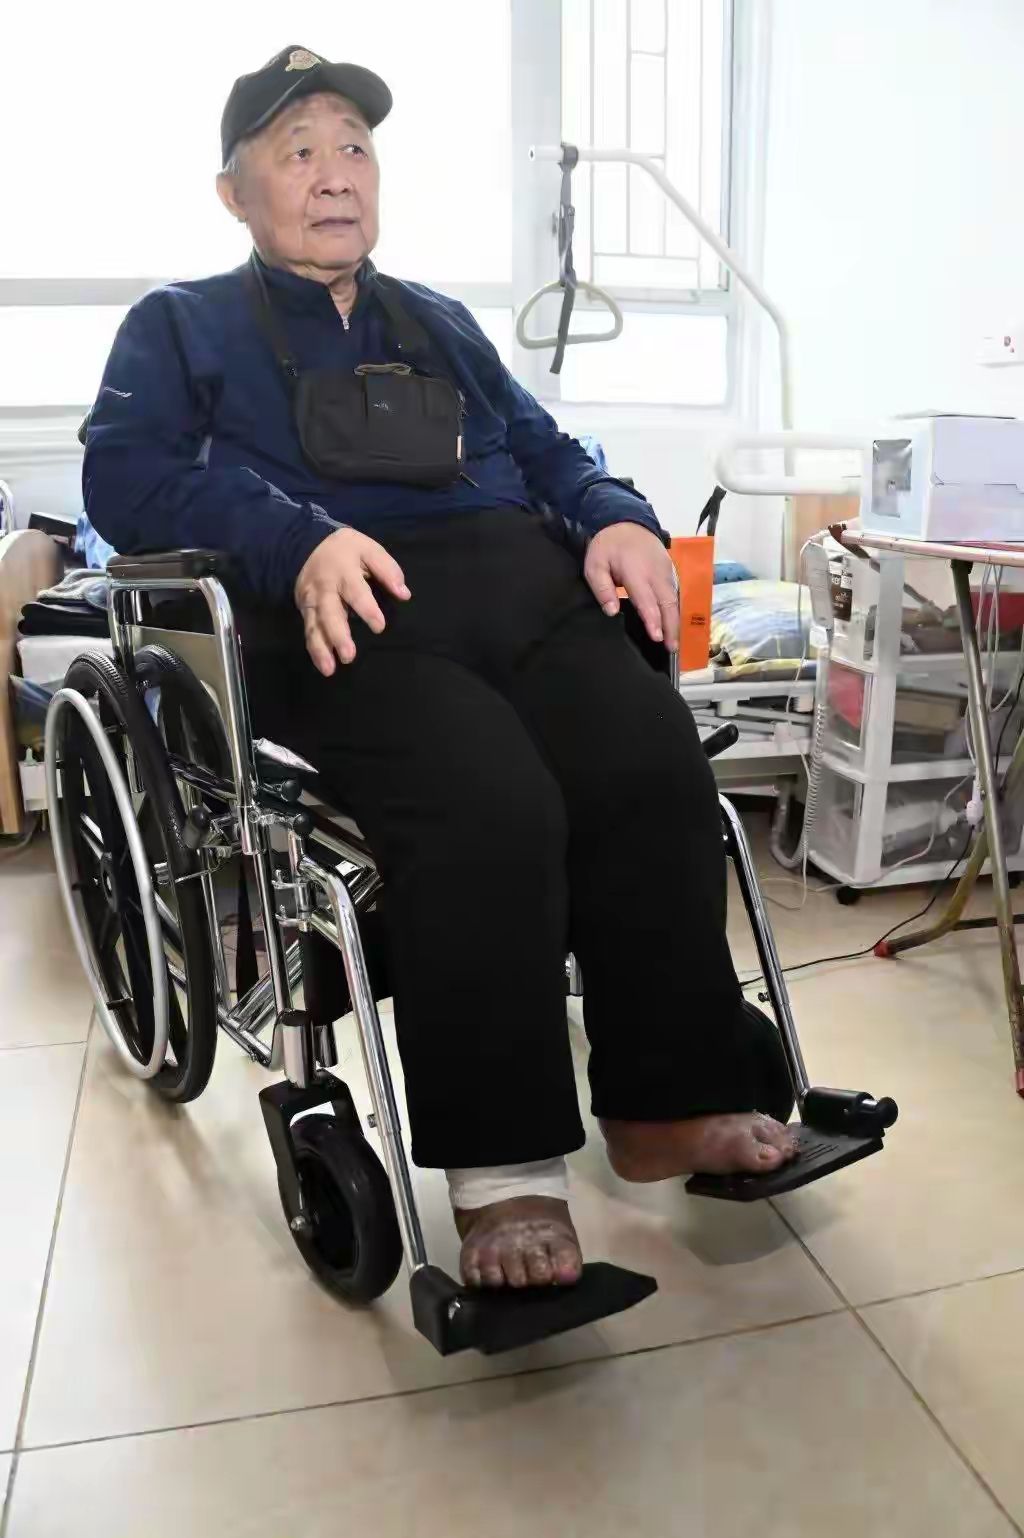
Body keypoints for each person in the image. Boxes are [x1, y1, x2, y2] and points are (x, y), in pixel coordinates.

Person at [83, 46, 797, 1293]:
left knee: (648, 762)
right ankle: (504, 1171)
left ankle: (665, 1104)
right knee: (487, 802)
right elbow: (124, 478)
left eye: (354, 148)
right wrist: (292, 536)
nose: (335, 174)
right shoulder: (180, 324)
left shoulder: (439, 322)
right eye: (298, 152)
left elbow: (546, 446)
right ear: (234, 193)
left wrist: (616, 514)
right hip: (342, 608)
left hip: (518, 585)